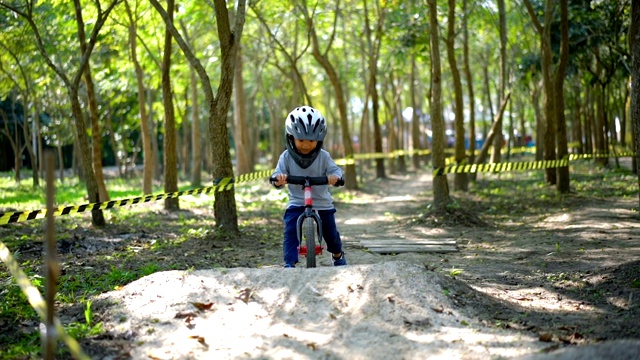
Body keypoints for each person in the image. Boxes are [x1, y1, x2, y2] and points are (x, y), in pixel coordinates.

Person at [271, 106, 347, 268]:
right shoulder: (286, 157)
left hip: (322, 202)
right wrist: (279, 179)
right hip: (297, 201)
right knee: (290, 231)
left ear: (319, 140)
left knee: (330, 233)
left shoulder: (324, 157)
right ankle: (289, 262)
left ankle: (337, 254)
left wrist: (336, 177)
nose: (306, 145)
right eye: (301, 140)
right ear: (291, 138)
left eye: (311, 141)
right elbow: (278, 173)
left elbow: (335, 170)